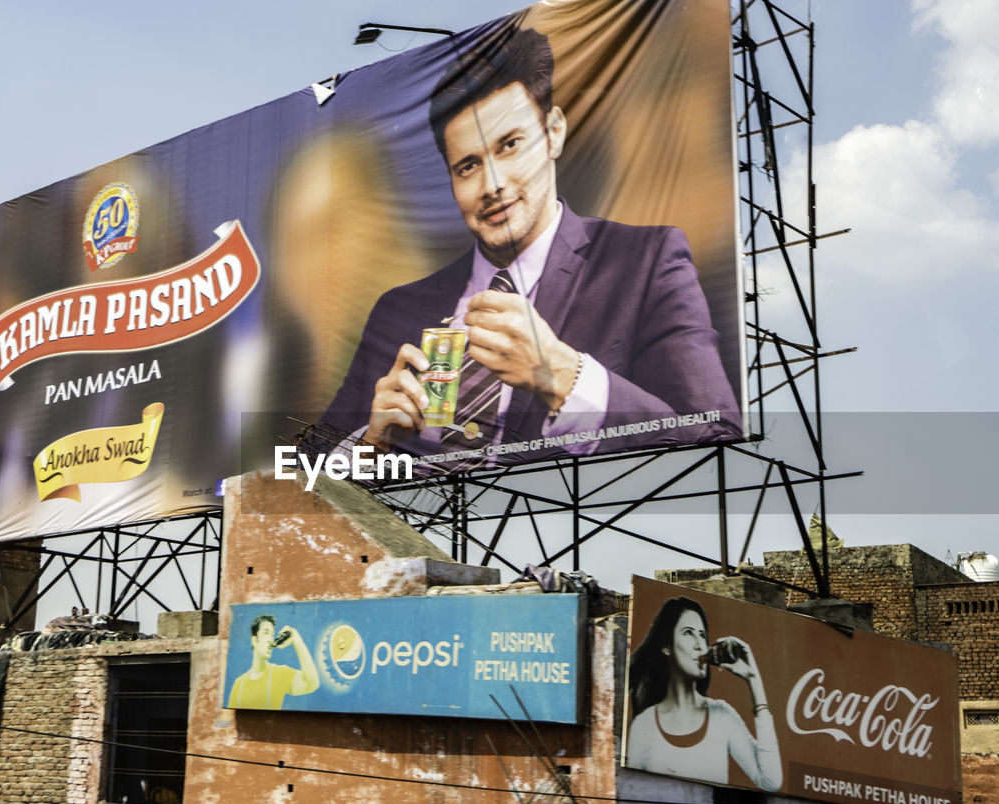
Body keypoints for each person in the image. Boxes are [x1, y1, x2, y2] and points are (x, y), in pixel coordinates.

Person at [314, 24, 741, 470]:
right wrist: (367, 446)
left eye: (510, 145)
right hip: (420, 532)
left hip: (573, 527)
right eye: (468, 166)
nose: (492, 185)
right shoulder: (400, 309)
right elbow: (300, 471)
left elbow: (715, 435)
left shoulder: (643, 261)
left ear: (554, 132)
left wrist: (564, 377)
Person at [624, 597, 781, 791]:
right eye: (688, 633)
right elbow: (634, 796)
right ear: (666, 646)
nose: (700, 645)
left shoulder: (722, 715)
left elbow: (771, 782)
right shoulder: (644, 725)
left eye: (703, 635)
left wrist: (754, 680)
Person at [227, 613, 320, 710]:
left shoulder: (279, 673)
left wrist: (297, 640)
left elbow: (312, 683)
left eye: (272, 635)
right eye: (266, 633)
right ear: (254, 641)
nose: (270, 640)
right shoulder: (239, 684)